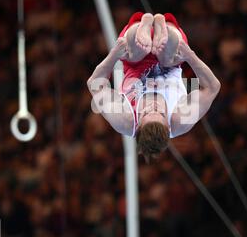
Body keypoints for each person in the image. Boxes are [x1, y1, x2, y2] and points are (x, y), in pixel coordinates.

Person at [87, 12, 221, 162]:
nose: (154, 105)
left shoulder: (124, 119)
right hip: (171, 57)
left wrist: (114, 55)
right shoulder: (180, 120)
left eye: (147, 112)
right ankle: (165, 31)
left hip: (135, 61)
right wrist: (190, 56)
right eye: (162, 113)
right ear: (169, 126)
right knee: (169, 57)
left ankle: (142, 26)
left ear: (137, 125)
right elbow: (212, 87)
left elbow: (95, 85)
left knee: (133, 50)